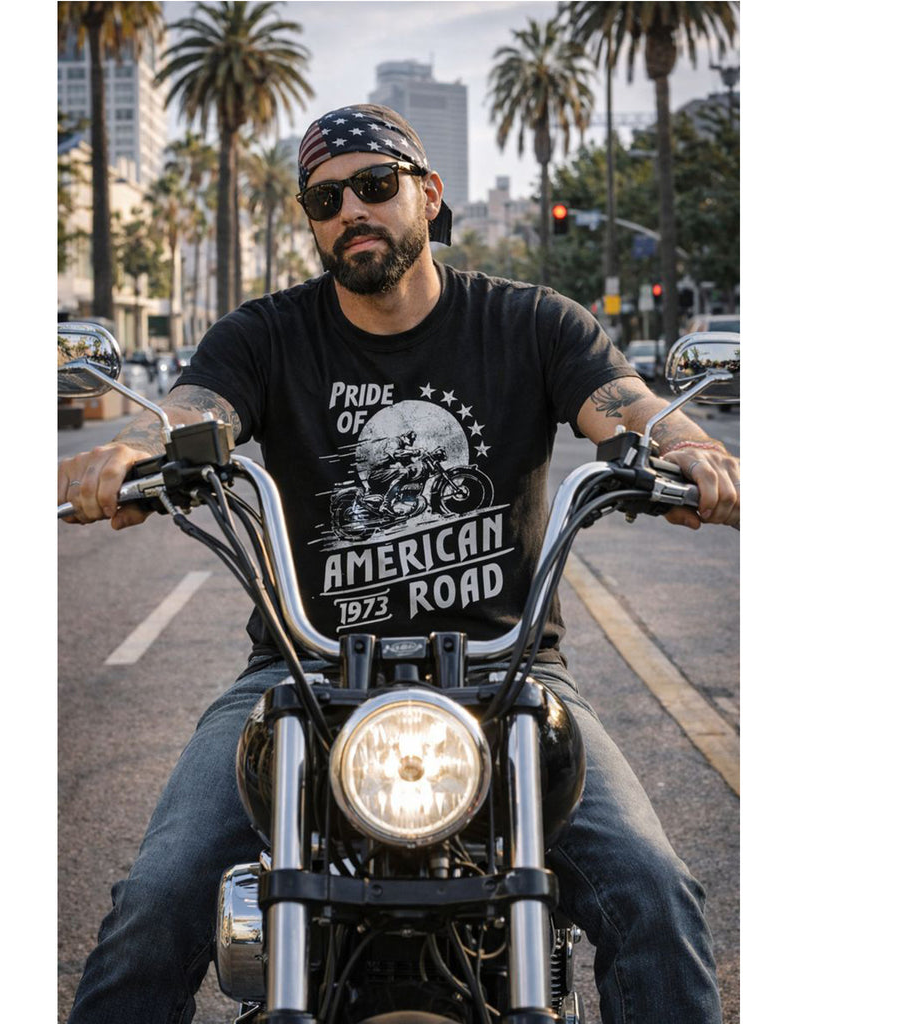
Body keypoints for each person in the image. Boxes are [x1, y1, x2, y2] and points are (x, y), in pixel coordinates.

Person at [59, 103, 739, 1024]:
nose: (352, 211)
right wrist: (134, 450)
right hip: (302, 672)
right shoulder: (268, 335)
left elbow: (628, 404)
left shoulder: (532, 323)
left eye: (375, 186)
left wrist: (690, 449)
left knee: (657, 896)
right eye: (325, 199)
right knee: (156, 900)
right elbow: (192, 406)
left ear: (428, 193)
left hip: (509, 675)